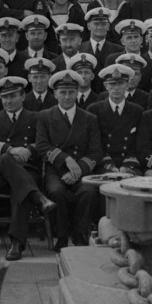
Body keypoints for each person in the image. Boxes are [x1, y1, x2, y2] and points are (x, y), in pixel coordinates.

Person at [0, 76, 55, 259]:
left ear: (23, 96)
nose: (8, 101)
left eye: (13, 96)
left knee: (21, 190)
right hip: (0, 173)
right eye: (4, 97)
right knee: (7, 159)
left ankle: (16, 243)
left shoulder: (35, 117)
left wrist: (29, 149)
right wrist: (11, 149)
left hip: (28, 169)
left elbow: (44, 142)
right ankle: (39, 197)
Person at [33, 69, 102, 247]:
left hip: (81, 169)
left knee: (89, 192)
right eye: (62, 92)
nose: (67, 96)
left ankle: (79, 234)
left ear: (77, 93)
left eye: (71, 92)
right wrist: (66, 159)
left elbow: (96, 152)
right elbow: (41, 145)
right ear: (55, 94)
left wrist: (78, 169)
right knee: (57, 192)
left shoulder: (89, 118)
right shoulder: (45, 116)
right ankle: (62, 236)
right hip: (55, 170)